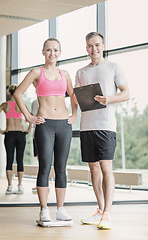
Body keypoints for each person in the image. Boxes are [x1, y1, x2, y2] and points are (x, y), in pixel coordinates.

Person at [13, 38, 77, 222]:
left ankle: (61, 208)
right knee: (45, 166)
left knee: (61, 168)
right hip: (45, 124)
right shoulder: (36, 72)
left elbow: (73, 96)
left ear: (60, 53)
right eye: (49, 50)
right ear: (43, 52)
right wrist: (29, 117)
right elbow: (17, 93)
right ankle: (44, 209)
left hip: (64, 124)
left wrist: (74, 115)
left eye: (56, 50)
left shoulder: (65, 74)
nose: (52, 53)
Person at [75, 32, 130, 230]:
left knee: (106, 167)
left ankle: (107, 213)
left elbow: (126, 93)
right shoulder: (80, 72)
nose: (93, 49)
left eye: (97, 45)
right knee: (93, 168)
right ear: (86, 48)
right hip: (87, 125)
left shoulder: (114, 67)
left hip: (106, 126)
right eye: (90, 46)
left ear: (103, 45)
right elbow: (80, 98)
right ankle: (99, 210)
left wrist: (109, 99)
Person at [0, 84, 32, 194]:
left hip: (9, 134)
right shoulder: (21, 105)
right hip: (20, 133)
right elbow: (30, 117)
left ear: (9, 93)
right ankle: (20, 185)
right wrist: (28, 129)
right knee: (20, 160)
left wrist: (0, 130)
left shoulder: (5, 105)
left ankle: (10, 186)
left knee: (9, 160)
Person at [31, 99, 39, 193]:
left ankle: (42, 185)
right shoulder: (35, 102)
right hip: (37, 133)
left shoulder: (35, 102)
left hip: (37, 133)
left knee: (41, 162)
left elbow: (32, 118)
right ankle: (43, 185)